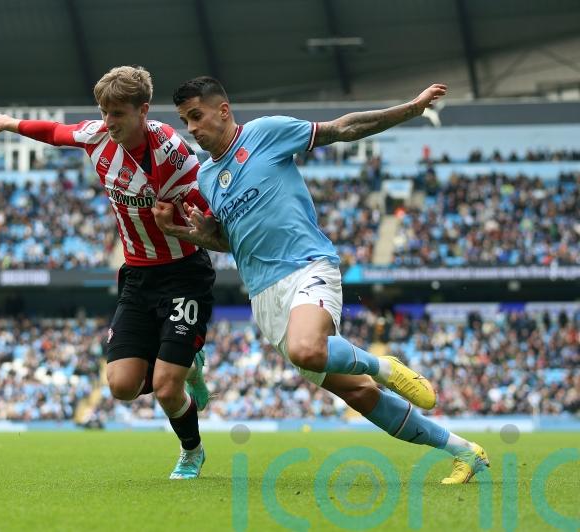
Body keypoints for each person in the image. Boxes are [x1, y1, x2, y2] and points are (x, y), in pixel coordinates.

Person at [154, 76, 489, 484]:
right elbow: (231, 242)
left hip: (307, 267)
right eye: (185, 120)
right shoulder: (207, 178)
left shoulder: (265, 133)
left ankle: (383, 365)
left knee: (308, 349)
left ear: (222, 110)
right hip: (264, 296)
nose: (191, 128)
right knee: (359, 394)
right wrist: (189, 233)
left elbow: (342, 128)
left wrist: (411, 108)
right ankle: (463, 452)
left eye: (196, 116)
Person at [0, 66, 212, 479]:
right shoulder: (98, 136)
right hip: (137, 276)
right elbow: (54, 132)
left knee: (165, 387)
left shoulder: (173, 152)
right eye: (103, 111)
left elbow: (207, 212)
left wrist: (176, 223)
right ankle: (186, 362)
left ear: (143, 110)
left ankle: (191, 450)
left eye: (117, 113)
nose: (108, 122)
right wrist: (8, 124)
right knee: (122, 386)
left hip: (183, 273)